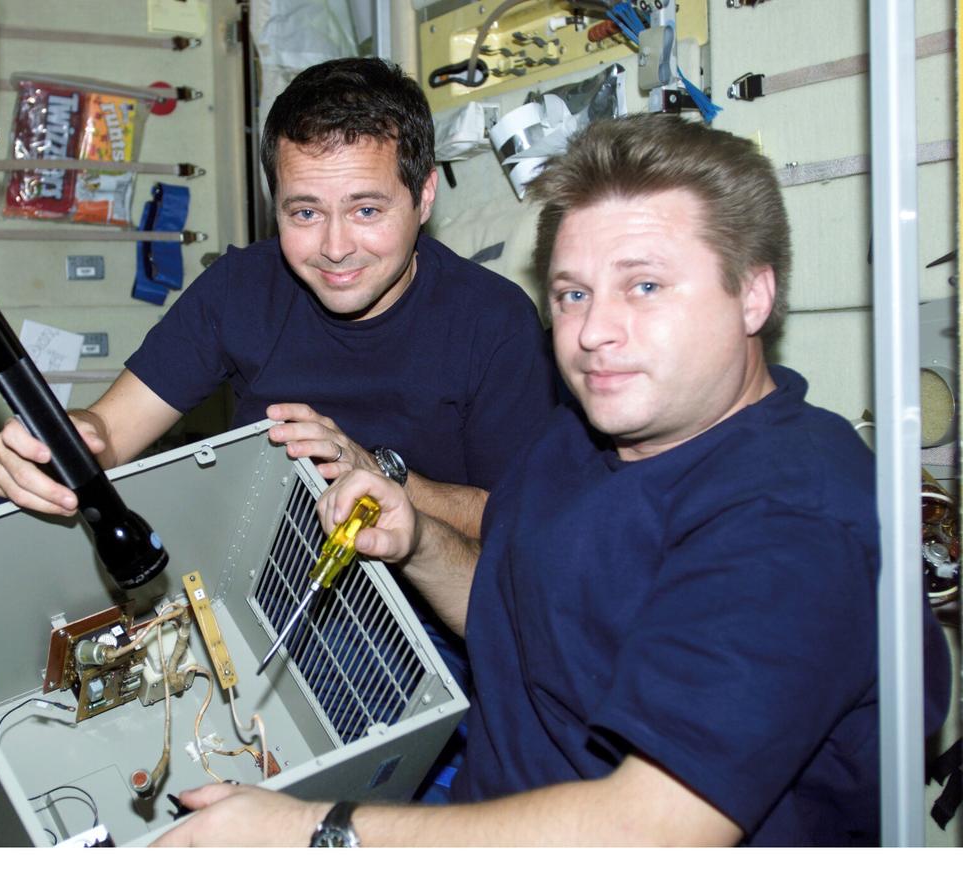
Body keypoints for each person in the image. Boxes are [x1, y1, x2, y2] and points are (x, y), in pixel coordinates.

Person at [150, 113, 953, 846]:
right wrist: (419, 539)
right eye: (573, 293)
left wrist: (312, 835)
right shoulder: (582, 437)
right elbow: (513, 616)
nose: (595, 331)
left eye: (644, 285)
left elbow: (650, 834)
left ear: (753, 293)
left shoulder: (793, 520)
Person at [0, 57, 557, 794]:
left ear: (424, 194)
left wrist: (379, 474)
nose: (335, 246)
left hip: (424, 632)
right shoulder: (242, 289)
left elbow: (518, 533)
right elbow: (109, 427)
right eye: (304, 212)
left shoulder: (496, 323)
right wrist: (60, 445)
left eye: (367, 209)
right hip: (252, 605)